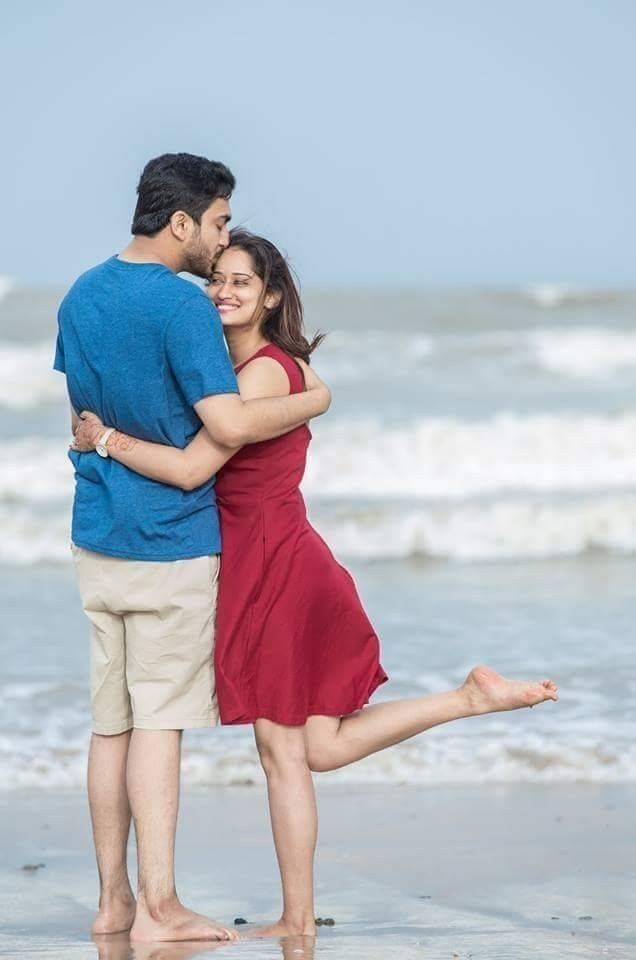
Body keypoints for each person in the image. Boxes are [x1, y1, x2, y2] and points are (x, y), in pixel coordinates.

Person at [74, 230, 559, 939]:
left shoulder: (265, 374)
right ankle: (467, 697)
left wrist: (105, 439)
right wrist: (316, 391)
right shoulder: (247, 370)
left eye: (243, 282)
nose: (225, 292)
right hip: (271, 563)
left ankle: (297, 922)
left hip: (278, 568)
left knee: (285, 753)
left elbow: (190, 467)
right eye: (220, 280)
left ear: (272, 297)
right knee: (319, 748)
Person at [54, 157, 331, 944]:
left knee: (110, 724)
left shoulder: (81, 293)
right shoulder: (181, 308)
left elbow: (86, 407)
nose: (219, 240)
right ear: (181, 224)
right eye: (216, 223)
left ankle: (112, 902)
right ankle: (160, 908)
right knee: (158, 725)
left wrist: (105, 439)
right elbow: (234, 424)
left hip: (96, 537)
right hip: (169, 541)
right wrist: (319, 394)